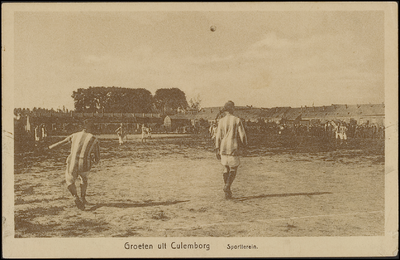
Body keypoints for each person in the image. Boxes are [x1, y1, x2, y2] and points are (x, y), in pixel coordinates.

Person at [48, 120, 100, 210]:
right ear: (91, 128)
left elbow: (61, 143)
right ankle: (83, 198)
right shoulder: (94, 139)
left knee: (69, 180)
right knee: (84, 179)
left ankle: (75, 196)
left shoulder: (74, 135)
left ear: (83, 128)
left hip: (72, 163)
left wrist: (49, 147)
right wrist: (92, 160)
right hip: (85, 164)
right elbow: (97, 159)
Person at [215, 101, 247, 199]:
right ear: (232, 109)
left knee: (226, 168)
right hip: (233, 146)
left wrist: (217, 148)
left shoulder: (221, 121)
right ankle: (227, 186)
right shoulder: (237, 120)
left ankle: (227, 193)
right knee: (233, 168)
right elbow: (242, 135)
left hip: (223, 147)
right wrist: (245, 145)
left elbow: (218, 136)